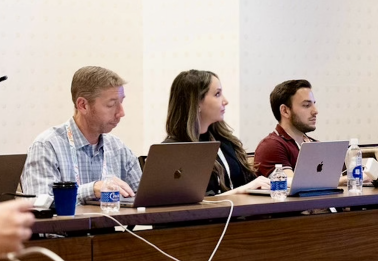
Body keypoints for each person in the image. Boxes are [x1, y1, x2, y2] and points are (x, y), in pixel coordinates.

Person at [21, 66, 141, 202]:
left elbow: (145, 197)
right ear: (83, 105)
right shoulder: (47, 146)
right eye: (111, 104)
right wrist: (91, 190)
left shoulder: (118, 148)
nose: (121, 113)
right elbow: (38, 203)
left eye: (121, 102)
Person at [165, 70, 269, 195]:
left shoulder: (226, 142)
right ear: (197, 103)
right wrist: (240, 191)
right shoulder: (173, 150)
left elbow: (249, 183)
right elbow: (196, 202)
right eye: (217, 94)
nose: (225, 101)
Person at [254, 79, 318, 179]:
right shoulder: (271, 146)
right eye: (306, 105)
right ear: (285, 111)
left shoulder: (314, 144)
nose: (315, 111)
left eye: (314, 104)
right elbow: (292, 183)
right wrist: (339, 180)